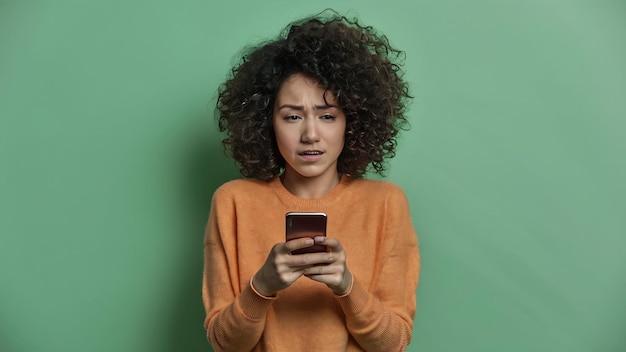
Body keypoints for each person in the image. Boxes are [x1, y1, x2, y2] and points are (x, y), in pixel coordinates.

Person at [202, 10, 420, 352]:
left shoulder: (387, 203)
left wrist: (347, 286)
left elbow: (393, 344)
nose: (310, 134)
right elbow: (224, 343)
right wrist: (262, 286)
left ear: (352, 121)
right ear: (266, 122)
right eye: (292, 116)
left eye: (327, 115)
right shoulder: (233, 202)